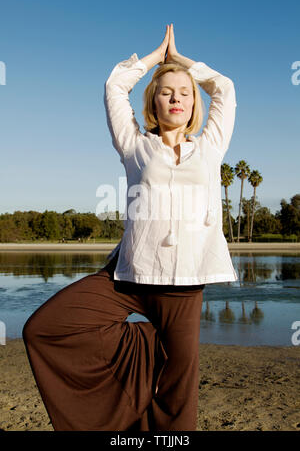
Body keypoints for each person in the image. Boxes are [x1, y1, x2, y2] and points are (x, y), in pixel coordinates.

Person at [22, 24, 237, 431]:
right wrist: (156, 58)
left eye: (186, 93)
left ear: (195, 106)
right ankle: (152, 347)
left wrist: (184, 62)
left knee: (179, 394)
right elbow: (114, 87)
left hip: (187, 281)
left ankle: (167, 361)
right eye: (167, 91)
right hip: (129, 276)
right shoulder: (135, 145)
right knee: (44, 329)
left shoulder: (210, 146)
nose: (177, 97)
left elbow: (224, 86)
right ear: (153, 103)